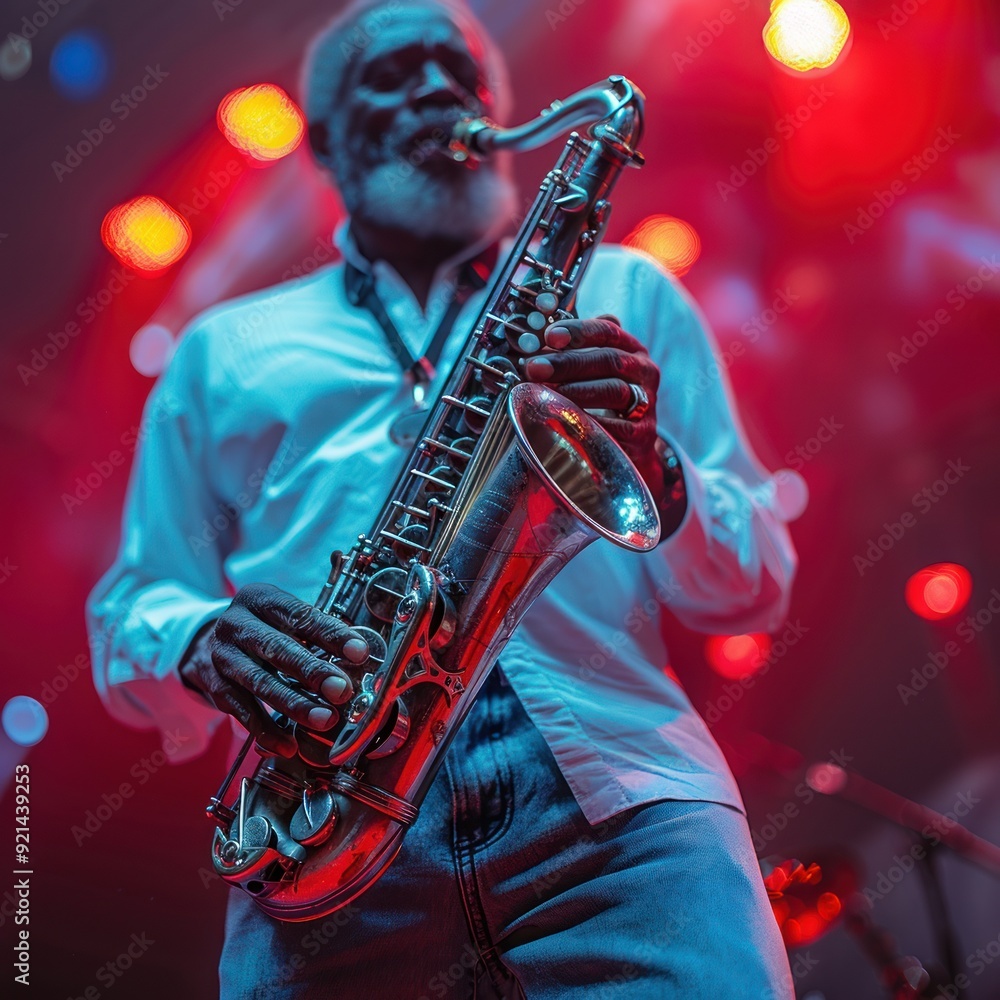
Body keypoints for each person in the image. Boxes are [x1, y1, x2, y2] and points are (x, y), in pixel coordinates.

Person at [87, 0, 799, 996]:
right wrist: (201, 641)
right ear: (325, 146)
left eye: (460, 73)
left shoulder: (628, 291)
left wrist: (656, 465)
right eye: (394, 74)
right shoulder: (220, 350)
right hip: (321, 825)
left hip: (623, 814)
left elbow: (756, 582)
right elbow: (133, 607)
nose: (437, 90)